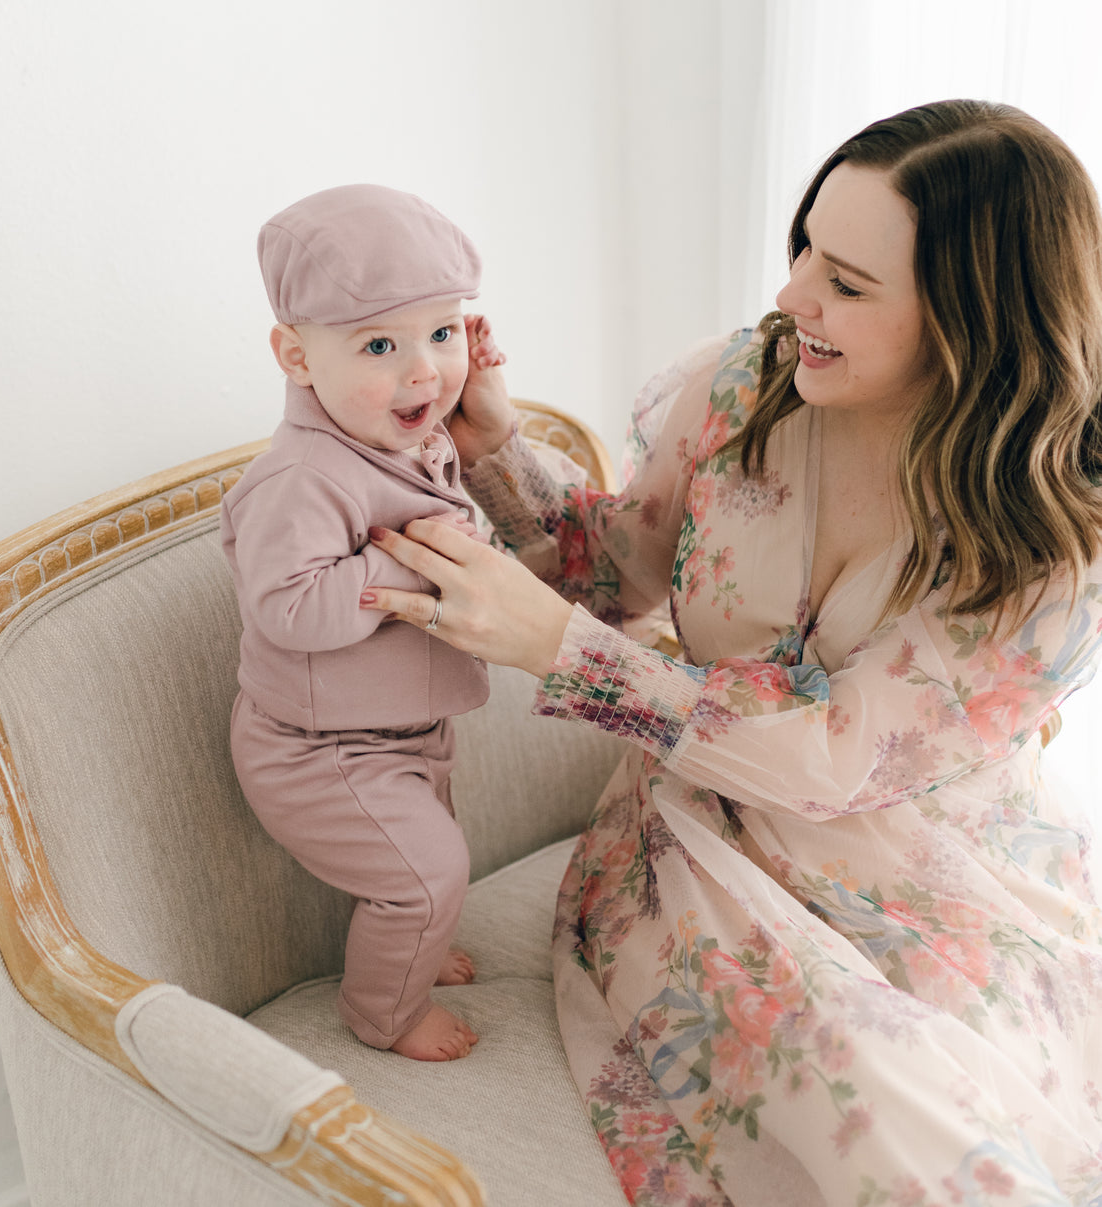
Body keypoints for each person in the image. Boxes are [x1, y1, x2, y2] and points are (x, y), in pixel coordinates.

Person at [360, 100, 1102, 1202]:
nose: (790, 295)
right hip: (700, 846)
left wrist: (555, 648)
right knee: (895, 1127)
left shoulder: (1052, 537)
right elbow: (618, 574)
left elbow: (835, 758)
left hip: (942, 874)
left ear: (969, 320)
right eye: (804, 245)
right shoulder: (745, 386)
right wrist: (497, 450)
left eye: (847, 283)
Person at [221, 183, 508, 1062]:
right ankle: (383, 1012)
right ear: (297, 357)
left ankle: (415, 944)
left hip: (407, 729)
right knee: (427, 875)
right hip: (319, 748)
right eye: (382, 343)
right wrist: (404, 559)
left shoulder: (402, 436)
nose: (424, 370)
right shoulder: (302, 478)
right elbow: (288, 603)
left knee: (428, 864)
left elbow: (455, 481)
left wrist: (484, 396)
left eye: (443, 333)